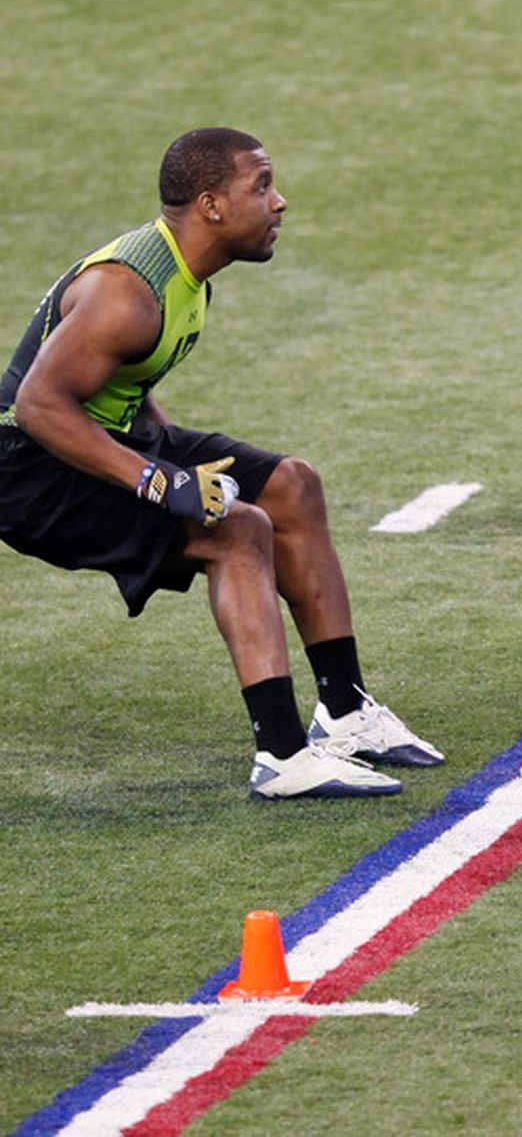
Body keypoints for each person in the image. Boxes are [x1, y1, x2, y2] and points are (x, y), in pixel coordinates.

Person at [0, 128, 443, 797]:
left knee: (291, 488)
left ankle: (346, 713)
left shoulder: (182, 274)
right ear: (210, 205)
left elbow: (123, 379)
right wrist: (159, 479)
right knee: (238, 530)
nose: (280, 202)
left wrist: (168, 451)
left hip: (97, 435)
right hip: (31, 474)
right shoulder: (128, 295)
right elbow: (39, 405)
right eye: (261, 187)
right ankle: (283, 759)